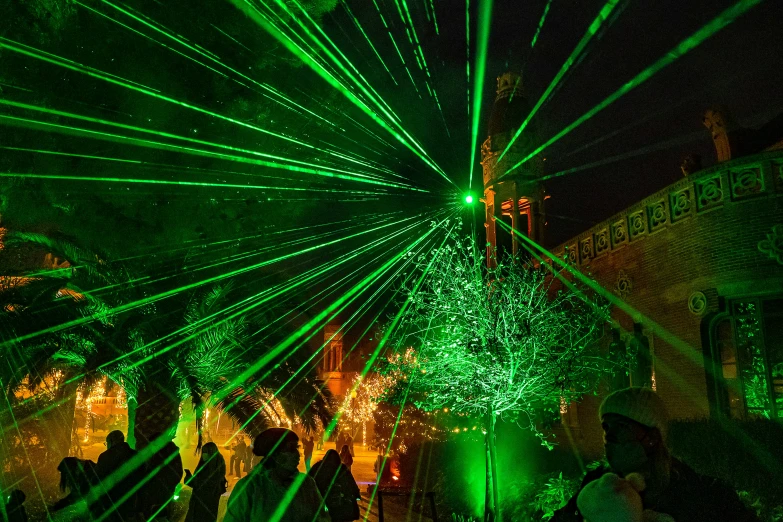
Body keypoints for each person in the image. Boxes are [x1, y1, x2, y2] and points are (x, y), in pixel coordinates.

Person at [551, 387, 759, 522]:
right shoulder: (596, 486)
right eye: (606, 427)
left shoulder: (700, 494)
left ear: (652, 437)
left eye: (621, 427)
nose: (609, 436)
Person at [223, 428, 329, 522]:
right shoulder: (249, 487)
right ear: (274, 454)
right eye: (290, 449)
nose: (297, 454)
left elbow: (322, 517)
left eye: (297, 448)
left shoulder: (306, 483)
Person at [96, 430, 146, 522]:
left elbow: (98, 479)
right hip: (131, 502)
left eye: (106, 443)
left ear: (112, 441)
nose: (107, 446)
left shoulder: (105, 457)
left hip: (110, 502)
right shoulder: (136, 455)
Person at [140, 433, 184, 520]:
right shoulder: (158, 455)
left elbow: (175, 475)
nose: (151, 447)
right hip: (160, 497)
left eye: (153, 444)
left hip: (159, 499)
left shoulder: (165, 457)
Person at [309, 449, 361, 522]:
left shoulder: (318, 467)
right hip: (339, 503)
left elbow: (310, 480)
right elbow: (350, 481)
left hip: (322, 500)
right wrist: (356, 493)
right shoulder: (341, 468)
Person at [184, 442, 228, 522]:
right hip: (198, 503)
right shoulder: (204, 465)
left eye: (206, 452)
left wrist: (193, 480)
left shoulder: (216, 467)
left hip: (206, 504)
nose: (203, 455)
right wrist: (189, 478)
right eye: (203, 452)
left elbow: (206, 484)